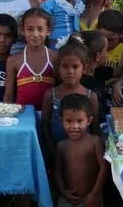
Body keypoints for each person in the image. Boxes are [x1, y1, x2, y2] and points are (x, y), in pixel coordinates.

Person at [41, 36, 100, 171]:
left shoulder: (91, 96)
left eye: (75, 66)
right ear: (58, 68)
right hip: (55, 152)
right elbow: (44, 125)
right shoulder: (51, 95)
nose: (70, 71)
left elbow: (95, 129)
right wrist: (52, 151)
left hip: (84, 157)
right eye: (65, 66)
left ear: (84, 68)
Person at [4, 9, 56, 111]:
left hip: (49, 116)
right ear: (23, 30)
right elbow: (8, 97)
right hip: (22, 118)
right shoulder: (14, 60)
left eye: (40, 29)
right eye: (30, 29)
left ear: (48, 31)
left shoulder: (55, 58)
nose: (35, 34)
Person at [79, 30, 109, 123]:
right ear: (98, 56)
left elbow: (118, 71)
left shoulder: (99, 71)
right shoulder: (92, 85)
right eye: (106, 50)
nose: (107, 54)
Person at [96, 9, 123, 82]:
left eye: (110, 40)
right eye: (103, 38)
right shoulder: (92, 49)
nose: (106, 43)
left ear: (122, 34)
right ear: (96, 29)